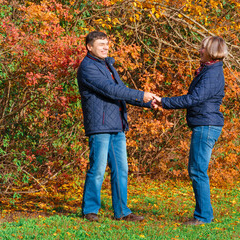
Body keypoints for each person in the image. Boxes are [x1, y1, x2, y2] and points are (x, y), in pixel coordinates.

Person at [77, 31, 158, 222]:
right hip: (100, 126)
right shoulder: (88, 67)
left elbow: (120, 92)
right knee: (97, 169)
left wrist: (147, 103)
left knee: (121, 169)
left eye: (107, 43)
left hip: (117, 124)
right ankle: (90, 210)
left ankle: (122, 211)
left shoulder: (108, 65)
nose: (105, 47)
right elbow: (111, 90)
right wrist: (141, 95)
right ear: (90, 47)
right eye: (100, 44)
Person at [153, 36, 228, 225]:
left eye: (203, 47)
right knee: (197, 170)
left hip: (206, 125)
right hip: (205, 123)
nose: (199, 50)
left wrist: (164, 102)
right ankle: (204, 215)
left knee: (197, 171)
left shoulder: (212, 73)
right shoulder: (209, 70)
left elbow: (193, 99)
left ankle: (203, 216)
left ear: (211, 50)